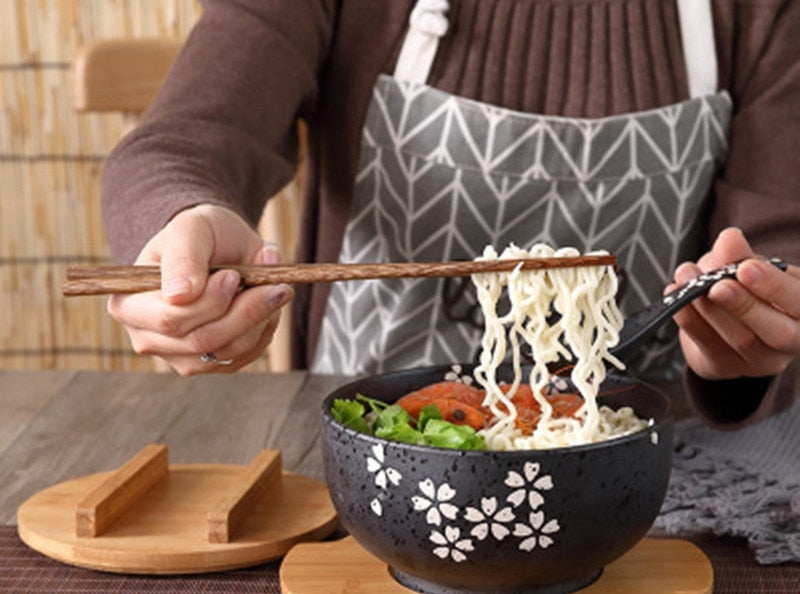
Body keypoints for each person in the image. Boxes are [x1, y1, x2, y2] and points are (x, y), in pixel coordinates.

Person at [101, 0, 800, 427]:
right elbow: (185, 139)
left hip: (646, 465)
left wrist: (748, 337)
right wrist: (181, 221)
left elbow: (779, 244)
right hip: (373, 452)